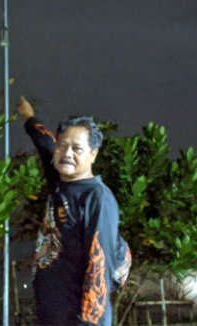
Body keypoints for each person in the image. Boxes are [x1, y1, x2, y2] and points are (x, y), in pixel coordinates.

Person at [17, 96, 131, 326]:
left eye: (77, 148)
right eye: (63, 146)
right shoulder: (60, 181)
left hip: (78, 319)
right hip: (51, 313)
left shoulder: (96, 198)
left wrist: (89, 322)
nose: (67, 153)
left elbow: (100, 265)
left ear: (93, 154)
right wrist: (30, 118)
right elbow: (45, 143)